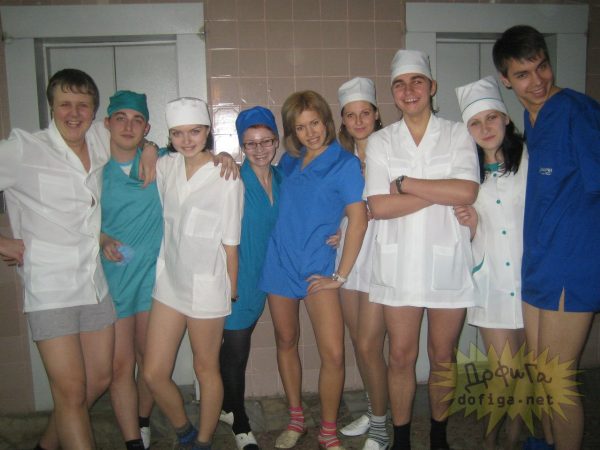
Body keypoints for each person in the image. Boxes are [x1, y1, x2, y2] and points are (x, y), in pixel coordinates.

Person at [0, 69, 155, 450]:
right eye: (65, 104)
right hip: (51, 289)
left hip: (94, 284)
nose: (74, 113)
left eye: (82, 105)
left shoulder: (98, 141)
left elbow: (133, 132)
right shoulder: (24, 149)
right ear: (51, 107)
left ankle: (45, 446)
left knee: (98, 379)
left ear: (94, 111)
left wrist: (150, 148)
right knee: (70, 391)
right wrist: (1, 243)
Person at [364, 50, 479, 450]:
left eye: (417, 81)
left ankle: (439, 437)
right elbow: (378, 207)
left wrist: (405, 184)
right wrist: (441, 190)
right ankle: (400, 439)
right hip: (398, 264)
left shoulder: (458, 133)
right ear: (393, 93)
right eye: (399, 84)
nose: (408, 90)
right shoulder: (380, 141)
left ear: (432, 87)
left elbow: (467, 191)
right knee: (400, 355)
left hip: (447, 259)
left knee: (443, 355)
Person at [493, 25, 600, 450]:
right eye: (523, 74)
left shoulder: (578, 111)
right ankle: (549, 443)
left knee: (557, 378)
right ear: (506, 79)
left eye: (542, 67)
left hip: (572, 261)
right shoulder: (530, 119)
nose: (537, 81)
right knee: (540, 372)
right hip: (538, 259)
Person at [259, 90, 368, 450]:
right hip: (280, 262)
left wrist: (340, 276)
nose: (310, 133)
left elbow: (359, 219)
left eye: (315, 123)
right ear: (292, 132)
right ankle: (296, 419)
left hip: (318, 267)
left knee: (333, 353)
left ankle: (328, 430)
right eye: (301, 127)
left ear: (327, 121)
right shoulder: (289, 162)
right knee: (285, 340)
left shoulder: (344, 163)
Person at [142, 97, 244, 450]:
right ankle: (184, 429)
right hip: (170, 283)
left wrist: (230, 289)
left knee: (205, 368)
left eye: (195, 131)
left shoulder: (226, 176)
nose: (186, 140)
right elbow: (138, 146)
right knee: (153, 372)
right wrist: (149, 148)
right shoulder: (166, 166)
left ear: (208, 131)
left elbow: (231, 244)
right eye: (178, 133)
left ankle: (202, 440)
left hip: (208, 286)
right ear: (170, 136)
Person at [455, 76, 527, 450]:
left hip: (532, 282)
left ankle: (512, 439)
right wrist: (470, 225)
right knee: (504, 371)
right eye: (475, 123)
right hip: (491, 283)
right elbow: (459, 237)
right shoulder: (465, 173)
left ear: (506, 119)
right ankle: (488, 441)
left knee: (525, 370)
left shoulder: (529, 161)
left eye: (491, 118)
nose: (485, 129)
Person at [100, 90, 164, 450]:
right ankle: (131, 442)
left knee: (148, 361)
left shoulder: (160, 160)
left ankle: (142, 422)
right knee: (119, 366)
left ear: (146, 128)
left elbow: (200, 158)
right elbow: (77, 219)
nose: (128, 126)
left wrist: (223, 157)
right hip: (115, 279)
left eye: (137, 120)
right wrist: (101, 238)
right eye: (120, 118)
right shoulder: (93, 168)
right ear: (107, 123)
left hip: (153, 280)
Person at [218, 106, 283, 450]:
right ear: (242, 146)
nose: (259, 149)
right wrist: (219, 156)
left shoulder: (283, 177)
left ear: (276, 141)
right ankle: (239, 421)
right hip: (239, 276)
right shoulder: (231, 177)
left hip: (270, 274)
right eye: (251, 143)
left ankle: (226, 406)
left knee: (235, 346)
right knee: (236, 350)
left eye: (266, 141)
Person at [335, 77, 389, 450]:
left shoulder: (393, 151)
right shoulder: (341, 158)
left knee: (370, 344)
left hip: (382, 252)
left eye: (364, 113)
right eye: (351, 115)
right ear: (343, 119)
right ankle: (374, 409)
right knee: (357, 340)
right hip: (348, 250)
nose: (358, 121)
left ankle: (382, 427)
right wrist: (334, 227)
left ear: (376, 114)